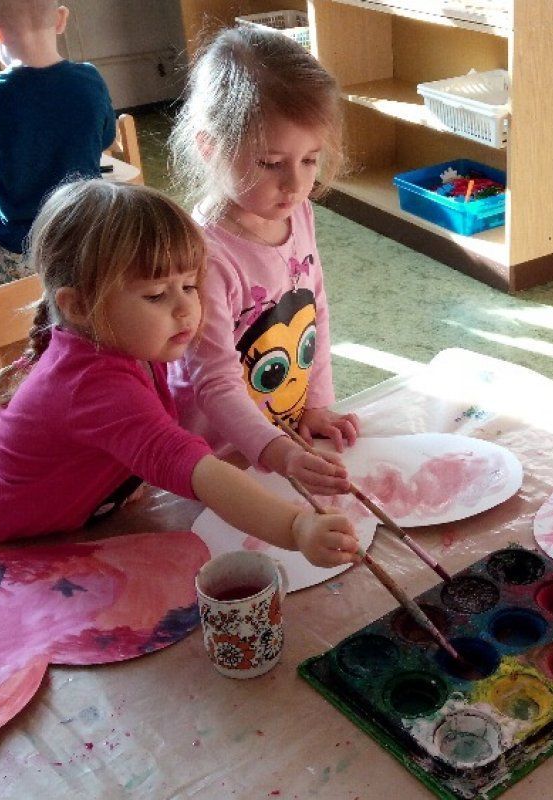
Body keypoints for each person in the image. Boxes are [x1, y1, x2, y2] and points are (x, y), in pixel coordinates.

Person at [0, 179, 359, 570]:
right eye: (155, 295)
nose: (185, 308)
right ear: (79, 306)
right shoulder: (94, 386)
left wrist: (283, 454)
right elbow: (200, 472)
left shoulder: (129, 339)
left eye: (189, 286)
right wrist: (296, 527)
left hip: (70, 518)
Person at [167, 26, 357, 497]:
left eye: (310, 160)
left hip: (282, 440)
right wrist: (279, 452)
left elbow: (314, 309)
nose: (295, 184)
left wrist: (316, 403)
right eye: (272, 163)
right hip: (218, 461)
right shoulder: (204, 256)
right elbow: (214, 384)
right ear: (211, 148)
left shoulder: (298, 213)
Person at [0, 0, 115, 284]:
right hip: (85, 230)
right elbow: (106, 138)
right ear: (61, 19)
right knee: (85, 301)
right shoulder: (90, 79)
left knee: (22, 309)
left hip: (23, 241)